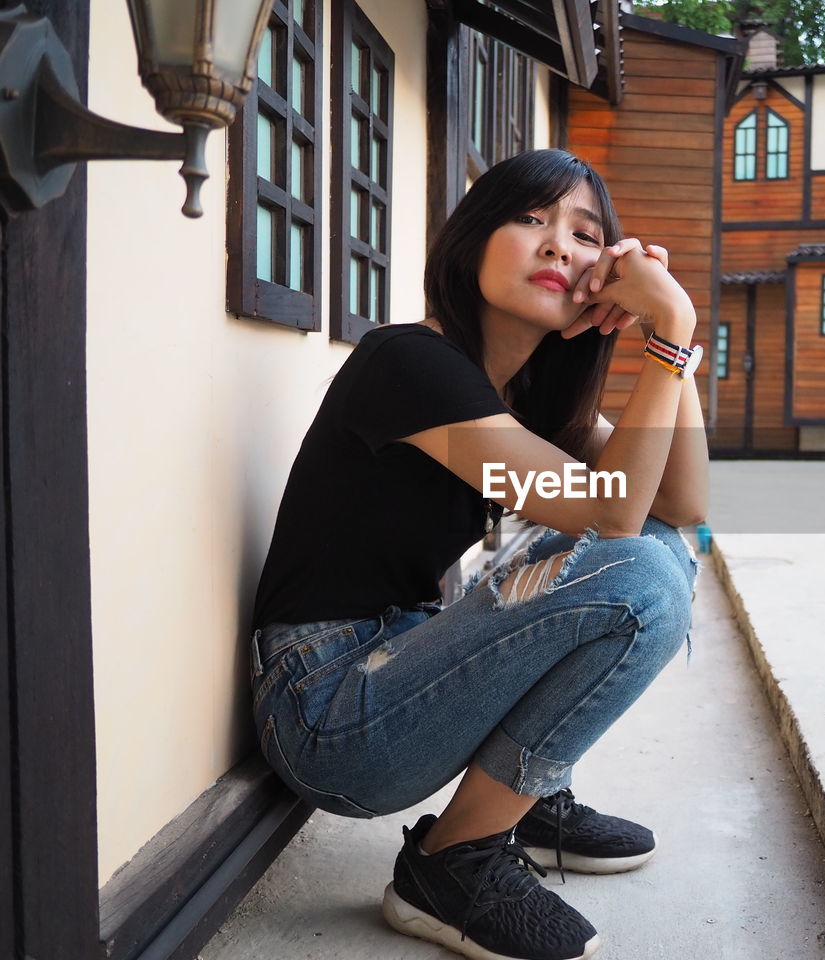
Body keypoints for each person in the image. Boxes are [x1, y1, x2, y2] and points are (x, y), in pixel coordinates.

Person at [248, 148, 708, 960]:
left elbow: (678, 506)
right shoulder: (409, 364)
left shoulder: (521, 400)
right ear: (471, 241)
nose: (560, 245)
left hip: (401, 662)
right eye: (531, 219)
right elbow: (610, 519)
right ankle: (450, 865)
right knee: (633, 576)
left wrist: (666, 333)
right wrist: (671, 332)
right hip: (327, 712)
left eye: (585, 233)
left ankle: (520, 799)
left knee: (663, 552)